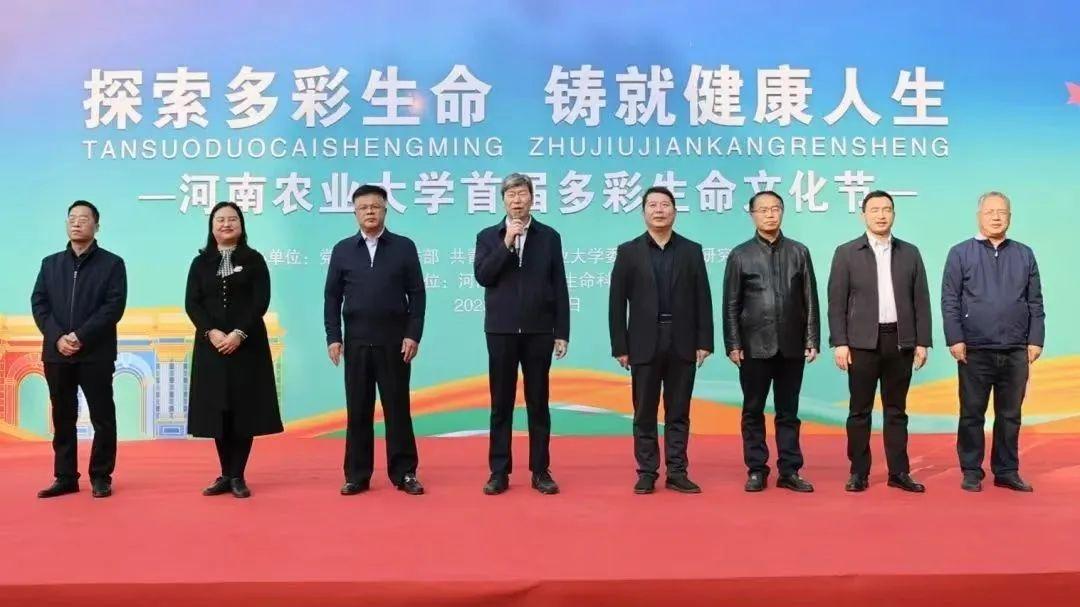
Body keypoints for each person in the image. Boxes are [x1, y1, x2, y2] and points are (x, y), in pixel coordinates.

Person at [609, 186, 713, 495]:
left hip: (682, 340)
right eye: (652, 205)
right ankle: (647, 472)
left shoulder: (691, 250)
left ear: (674, 211)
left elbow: (703, 298)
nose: (659, 210)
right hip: (643, 342)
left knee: (678, 412)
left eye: (665, 205)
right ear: (643, 212)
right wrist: (620, 346)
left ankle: (677, 471)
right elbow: (617, 303)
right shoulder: (628, 252)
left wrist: (704, 341)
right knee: (644, 412)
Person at [827, 190, 931, 493]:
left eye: (887, 209)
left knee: (896, 410)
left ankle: (899, 472)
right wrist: (840, 342)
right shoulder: (846, 253)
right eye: (874, 210)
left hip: (900, 341)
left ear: (894, 214)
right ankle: (858, 472)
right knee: (859, 411)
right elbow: (836, 302)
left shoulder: (910, 253)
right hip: (861, 343)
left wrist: (922, 341)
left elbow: (921, 300)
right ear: (863, 215)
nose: (881, 215)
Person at [325, 185, 426, 496]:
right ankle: (357, 475)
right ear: (355, 213)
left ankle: (404, 472)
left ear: (385, 210)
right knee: (358, 410)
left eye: (375, 206)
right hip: (356, 342)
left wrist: (413, 334)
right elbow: (332, 297)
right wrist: (333, 336)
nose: (369, 211)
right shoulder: (343, 249)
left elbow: (417, 294)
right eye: (363, 207)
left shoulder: (404, 247)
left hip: (395, 343)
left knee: (397, 409)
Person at [942, 191, 1044, 492]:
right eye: (990, 212)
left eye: (1002, 212)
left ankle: (1007, 470)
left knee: (1010, 415)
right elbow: (950, 300)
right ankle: (972, 470)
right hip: (975, 348)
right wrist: (955, 338)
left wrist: (1035, 339)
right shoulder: (960, 253)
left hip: (1016, 349)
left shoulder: (1024, 254)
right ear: (979, 216)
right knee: (972, 414)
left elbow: (1035, 301)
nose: (996, 217)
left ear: (1010, 217)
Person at [474, 173, 569, 495]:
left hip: (539, 330)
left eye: (522, 194)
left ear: (532, 198)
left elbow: (559, 285)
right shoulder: (488, 237)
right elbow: (484, 276)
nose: (517, 200)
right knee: (501, 404)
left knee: (538, 403)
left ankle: (540, 470)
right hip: (500, 331)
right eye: (511, 195)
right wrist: (506, 243)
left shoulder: (549, 237)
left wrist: (562, 331)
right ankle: (499, 472)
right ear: (503, 200)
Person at [723, 191, 820, 493]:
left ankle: (789, 470)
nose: (769, 214)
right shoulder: (740, 255)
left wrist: (812, 337)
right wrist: (733, 343)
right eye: (762, 210)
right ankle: (756, 469)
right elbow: (730, 303)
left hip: (791, 344)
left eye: (775, 208)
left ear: (782, 212)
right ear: (752, 215)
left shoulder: (799, 252)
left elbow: (810, 298)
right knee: (753, 410)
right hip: (754, 345)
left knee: (788, 412)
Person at [186, 202, 283, 499]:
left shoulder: (254, 259)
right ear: (212, 226)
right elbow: (192, 303)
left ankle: (238, 475)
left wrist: (239, 333)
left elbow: (260, 301)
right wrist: (211, 332)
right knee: (218, 409)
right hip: (211, 346)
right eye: (220, 220)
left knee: (244, 409)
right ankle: (225, 473)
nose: (226, 224)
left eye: (232, 219)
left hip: (247, 345)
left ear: (241, 225)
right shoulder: (200, 263)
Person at [31, 200, 127, 498]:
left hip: (95, 353)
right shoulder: (50, 264)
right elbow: (39, 304)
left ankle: (101, 475)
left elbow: (113, 307)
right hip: (57, 353)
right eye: (72, 218)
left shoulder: (112, 264)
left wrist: (80, 336)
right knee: (62, 416)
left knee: (102, 416)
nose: (76, 223)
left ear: (96, 226)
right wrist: (58, 337)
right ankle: (65, 477)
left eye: (84, 218)